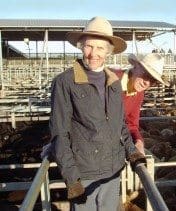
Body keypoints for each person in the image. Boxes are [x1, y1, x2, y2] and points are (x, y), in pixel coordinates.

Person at [49, 16, 146, 211]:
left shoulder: (114, 83)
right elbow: (59, 132)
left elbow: (120, 126)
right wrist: (71, 177)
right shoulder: (64, 82)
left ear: (108, 51)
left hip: (113, 169)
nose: (93, 53)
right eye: (88, 46)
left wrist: (132, 151)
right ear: (81, 46)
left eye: (100, 48)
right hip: (83, 173)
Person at [115, 53, 169, 155]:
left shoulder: (139, 94)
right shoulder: (111, 80)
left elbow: (132, 124)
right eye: (146, 74)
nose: (147, 83)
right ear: (136, 66)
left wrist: (139, 141)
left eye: (153, 81)